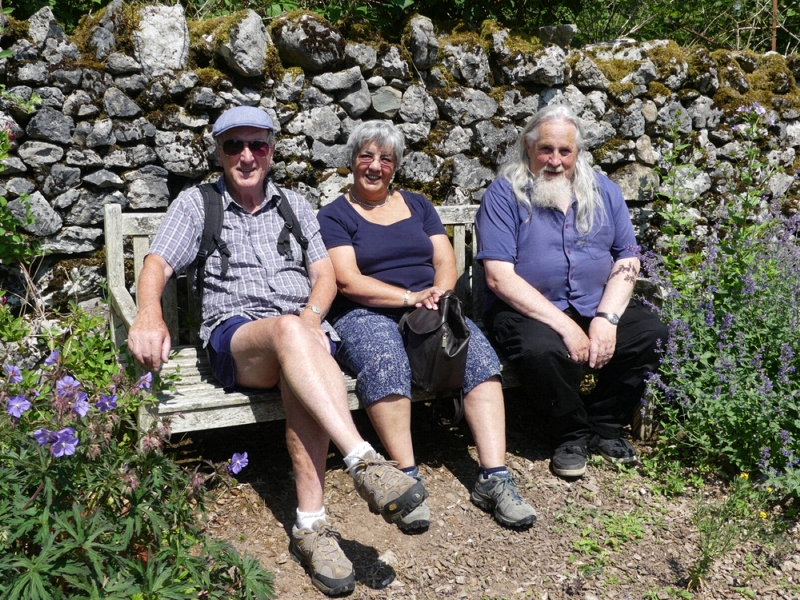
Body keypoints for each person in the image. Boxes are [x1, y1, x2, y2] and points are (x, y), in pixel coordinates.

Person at [127, 106, 429, 597]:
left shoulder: (294, 203)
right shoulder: (197, 204)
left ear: (271, 151)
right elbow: (157, 262)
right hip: (237, 338)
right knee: (294, 335)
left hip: (300, 340)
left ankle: (312, 527)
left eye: (258, 146)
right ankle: (364, 460)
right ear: (220, 152)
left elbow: (324, 274)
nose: (247, 156)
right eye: (234, 146)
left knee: (300, 353)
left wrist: (310, 320)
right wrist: (148, 313)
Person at [317, 120, 537, 532]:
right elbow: (347, 279)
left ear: (396, 166)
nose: (375, 166)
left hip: (427, 305)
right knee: (386, 361)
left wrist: (437, 293)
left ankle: (495, 478)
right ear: (351, 161)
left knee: (480, 358)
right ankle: (406, 478)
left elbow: (444, 260)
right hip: (363, 312)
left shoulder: (418, 204)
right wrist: (406, 298)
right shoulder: (334, 215)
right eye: (366, 156)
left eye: (385, 158)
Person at [476, 104, 668, 479]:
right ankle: (569, 434)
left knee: (651, 334)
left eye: (565, 151)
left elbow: (628, 257)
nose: (555, 160)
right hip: (527, 308)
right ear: (528, 147)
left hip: (594, 303)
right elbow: (498, 276)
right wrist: (566, 327)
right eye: (546, 149)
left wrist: (607, 318)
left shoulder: (603, 190)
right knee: (544, 350)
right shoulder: (504, 194)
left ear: (577, 152)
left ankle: (604, 423)